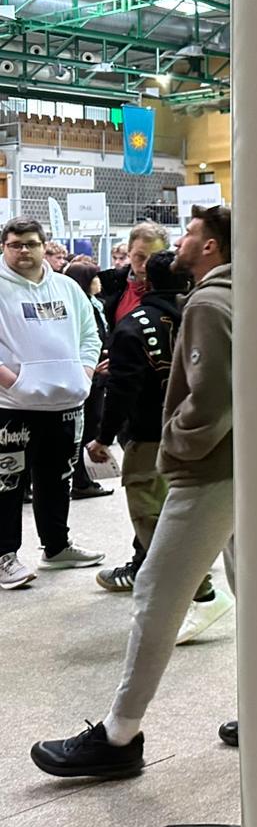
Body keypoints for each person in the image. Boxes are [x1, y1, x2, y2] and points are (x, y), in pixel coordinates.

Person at [33, 205, 233, 775]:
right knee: (256, 587)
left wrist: (176, 446)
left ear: (212, 246)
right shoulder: (246, 293)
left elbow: (212, 398)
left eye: (190, 233)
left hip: (209, 470)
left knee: (156, 590)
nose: (179, 242)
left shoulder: (210, 302)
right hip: (246, 465)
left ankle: (119, 736)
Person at [0, 218, 105, 590]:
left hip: (65, 403)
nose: (23, 251)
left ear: (44, 246)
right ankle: (4, 556)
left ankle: (57, 547)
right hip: (11, 408)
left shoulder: (67, 287)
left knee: (58, 479)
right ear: (3, 247)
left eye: (31, 243)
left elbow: (90, 335)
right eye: (15, 244)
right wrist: (15, 382)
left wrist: (85, 374)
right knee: (7, 483)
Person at [85, 250, 187, 590]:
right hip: (200, 431)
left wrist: (103, 437)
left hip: (149, 434)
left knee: (149, 511)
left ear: (147, 282)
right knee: (187, 507)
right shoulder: (206, 313)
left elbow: (122, 391)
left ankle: (193, 586)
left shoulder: (133, 326)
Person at [63, 262, 113, 500]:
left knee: (92, 423)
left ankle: (82, 478)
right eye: (94, 278)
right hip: (87, 375)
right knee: (85, 428)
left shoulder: (96, 303)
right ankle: (80, 479)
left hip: (98, 372)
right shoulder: (78, 305)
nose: (99, 282)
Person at [99, 221, 168, 333]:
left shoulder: (177, 292)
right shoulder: (108, 285)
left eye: (153, 258)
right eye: (140, 257)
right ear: (129, 253)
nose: (145, 265)